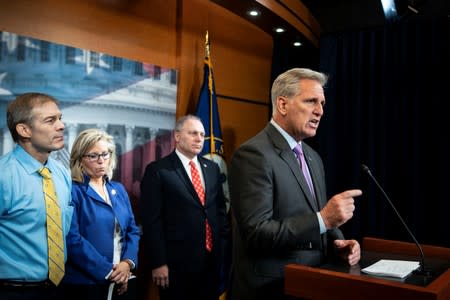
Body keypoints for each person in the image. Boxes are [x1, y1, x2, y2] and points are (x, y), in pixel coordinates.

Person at [227, 68, 362, 300]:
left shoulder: (312, 157)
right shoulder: (253, 155)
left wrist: (337, 241)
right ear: (282, 105)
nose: (319, 111)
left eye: (322, 103)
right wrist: (324, 220)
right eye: (311, 101)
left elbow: (314, 216)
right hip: (271, 289)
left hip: (312, 283)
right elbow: (257, 233)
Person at [140, 115, 229, 300]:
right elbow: (151, 221)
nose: (199, 139)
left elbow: (220, 212)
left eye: (202, 134)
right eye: (193, 133)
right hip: (175, 266)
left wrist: (223, 252)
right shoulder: (158, 170)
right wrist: (159, 262)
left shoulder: (212, 168)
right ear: (178, 136)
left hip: (211, 262)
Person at [0, 92, 73, 300]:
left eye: (60, 119)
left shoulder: (61, 174)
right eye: (50, 120)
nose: (61, 126)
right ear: (24, 130)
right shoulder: (3, 176)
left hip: (58, 289)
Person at [62, 128, 140, 300]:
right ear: (79, 159)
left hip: (125, 280)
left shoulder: (118, 190)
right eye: (93, 156)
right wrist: (110, 272)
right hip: (86, 284)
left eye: (105, 154)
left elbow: (132, 231)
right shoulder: (72, 191)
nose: (101, 161)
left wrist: (127, 263)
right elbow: (72, 240)